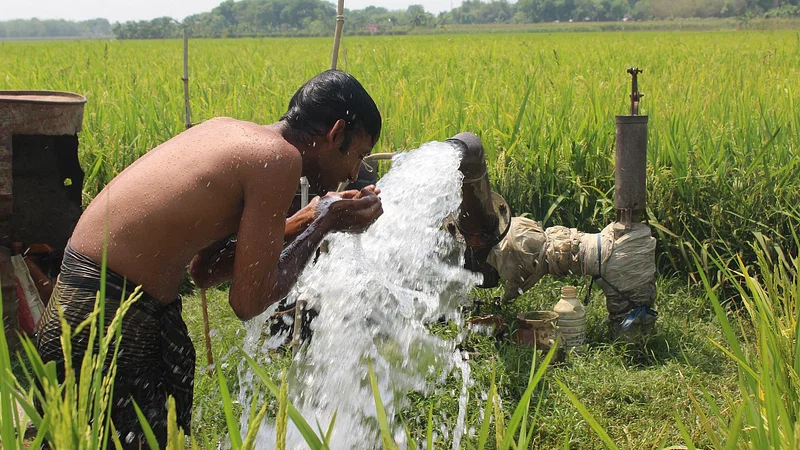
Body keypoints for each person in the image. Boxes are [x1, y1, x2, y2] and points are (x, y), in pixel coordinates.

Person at [35, 69, 384, 448]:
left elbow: (203, 270)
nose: (352, 173)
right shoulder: (278, 159)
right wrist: (324, 223)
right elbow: (249, 301)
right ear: (335, 135)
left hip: (90, 297)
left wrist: (301, 222)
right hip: (103, 310)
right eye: (358, 155)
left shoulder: (233, 133)